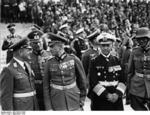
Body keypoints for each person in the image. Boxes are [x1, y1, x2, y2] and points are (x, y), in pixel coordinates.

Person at [43, 33, 87, 111]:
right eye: (49, 47)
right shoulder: (49, 63)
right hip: (57, 101)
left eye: (52, 46)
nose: (50, 49)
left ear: (60, 46)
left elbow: (82, 81)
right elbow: (46, 87)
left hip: (74, 98)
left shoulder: (73, 59)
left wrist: (82, 99)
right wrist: (48, 107)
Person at [88, 32, 126, 110]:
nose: (105, 48)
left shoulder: (117, 60)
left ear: (112, 45)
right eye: (103, 45)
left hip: (116, 98)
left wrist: (117, 94)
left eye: (108, 45)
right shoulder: (94, 61)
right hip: (100, 98)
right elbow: (93, 82)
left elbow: (123, 80)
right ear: (99, 46)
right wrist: (107, 95)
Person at [0, 38, 38, 110]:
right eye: (28, 49)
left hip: (33, 107)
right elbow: (5, 98)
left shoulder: (27, 65)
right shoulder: (8, 70)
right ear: (20, 51)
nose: (31, 51)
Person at [27, 30, 51, 110]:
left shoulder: (49, 54)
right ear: (30, 44)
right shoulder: (27, 57)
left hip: (49, 88)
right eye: (34, 43)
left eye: (39, 42)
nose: (37, 44)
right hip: (34, 89)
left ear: (43, 42)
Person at [128, 27, 150, 110]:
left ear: (148, 39)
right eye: (139, 39)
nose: (141, 41)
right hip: (137, 86)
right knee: (136, 106)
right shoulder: (135, 51)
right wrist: (128, 90)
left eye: (144, 39)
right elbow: (130, 72)